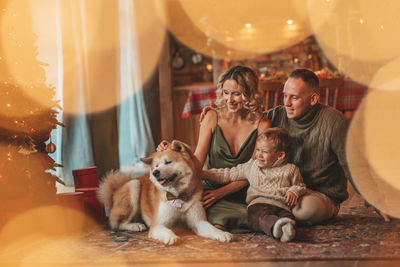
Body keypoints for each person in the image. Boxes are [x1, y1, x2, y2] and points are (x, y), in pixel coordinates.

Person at [157, 65, 270, 233]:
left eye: (236, 94)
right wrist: (172, 153)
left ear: (249, 94)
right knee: (212, 218)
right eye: (226, 92)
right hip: (210, 188)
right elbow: (197, 162)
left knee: (249, 213)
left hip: (244, 191)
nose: (229, 99)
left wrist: (221, 193)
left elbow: (255, 171)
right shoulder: (211, 117)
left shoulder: (263, 124)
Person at [202, 127, 306, 242]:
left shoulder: (290, 169)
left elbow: (300, 185)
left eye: (264, 152)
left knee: (289, 218)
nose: (259, 155)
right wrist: (203, 174)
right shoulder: (252, 166)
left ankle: (287, 227)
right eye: (258, 150)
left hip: (282, 205)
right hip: (258, 205)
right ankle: (277, 227)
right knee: (260, 218)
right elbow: (228, 174)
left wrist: (293, 191)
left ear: (280, 155)